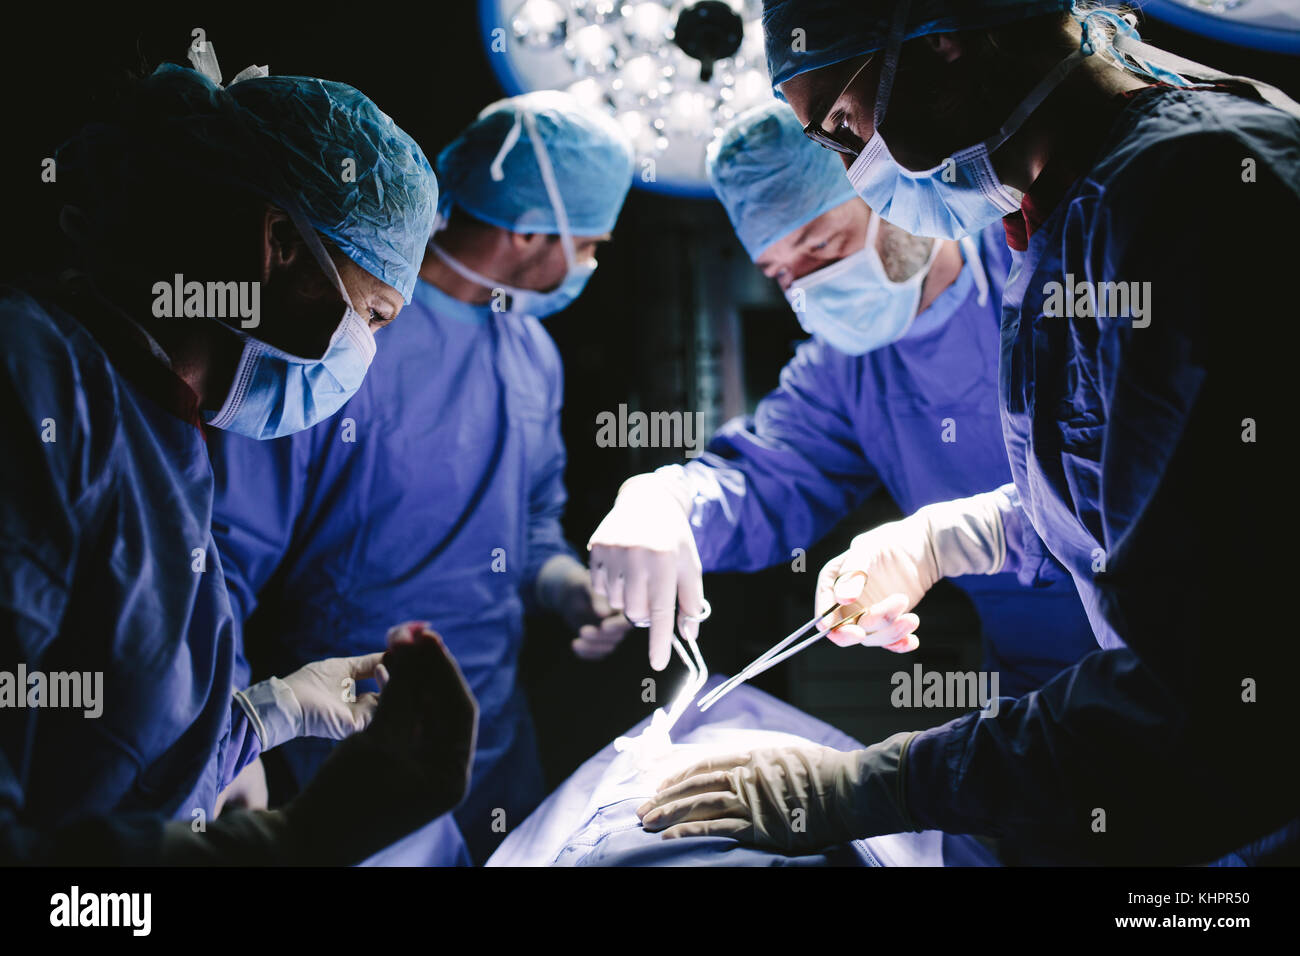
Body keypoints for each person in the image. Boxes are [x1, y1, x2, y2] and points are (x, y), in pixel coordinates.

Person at [637, 0, 1300, 864]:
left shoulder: (1198, 188)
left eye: (842, 121)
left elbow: (1212, 690)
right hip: (1103, 748)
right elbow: (1156, 495)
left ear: (939, 40)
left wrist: (868, 787)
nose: (857, 164)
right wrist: (952, 537)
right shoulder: (1062, 218)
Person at [0, 53, 476, 865]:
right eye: (373, 313)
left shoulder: (162, 430)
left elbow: (124, 767)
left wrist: (269, 716)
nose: (368, 350)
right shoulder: (34, 382)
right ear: (280, 244)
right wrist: (288, 845)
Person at [208, 90, 636, 862]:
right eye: (592, 243)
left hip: (499, 737)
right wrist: (234, 734)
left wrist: (567, 584)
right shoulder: (332, 344)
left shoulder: (532, 353)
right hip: (349, 738)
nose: (593, 264)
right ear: (532, 228)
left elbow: (531, 526)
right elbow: (224, 558)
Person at [588, 99, 1096, 702]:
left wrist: (947, 541)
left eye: (822, 245)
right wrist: (666, 501)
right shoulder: (846, 367)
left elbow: (1134, 474)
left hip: (1175, 635)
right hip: (1036, 684)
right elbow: (764, 479)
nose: (808, 286)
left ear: (898, 193)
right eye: (781, 273)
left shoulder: (1050, 273)